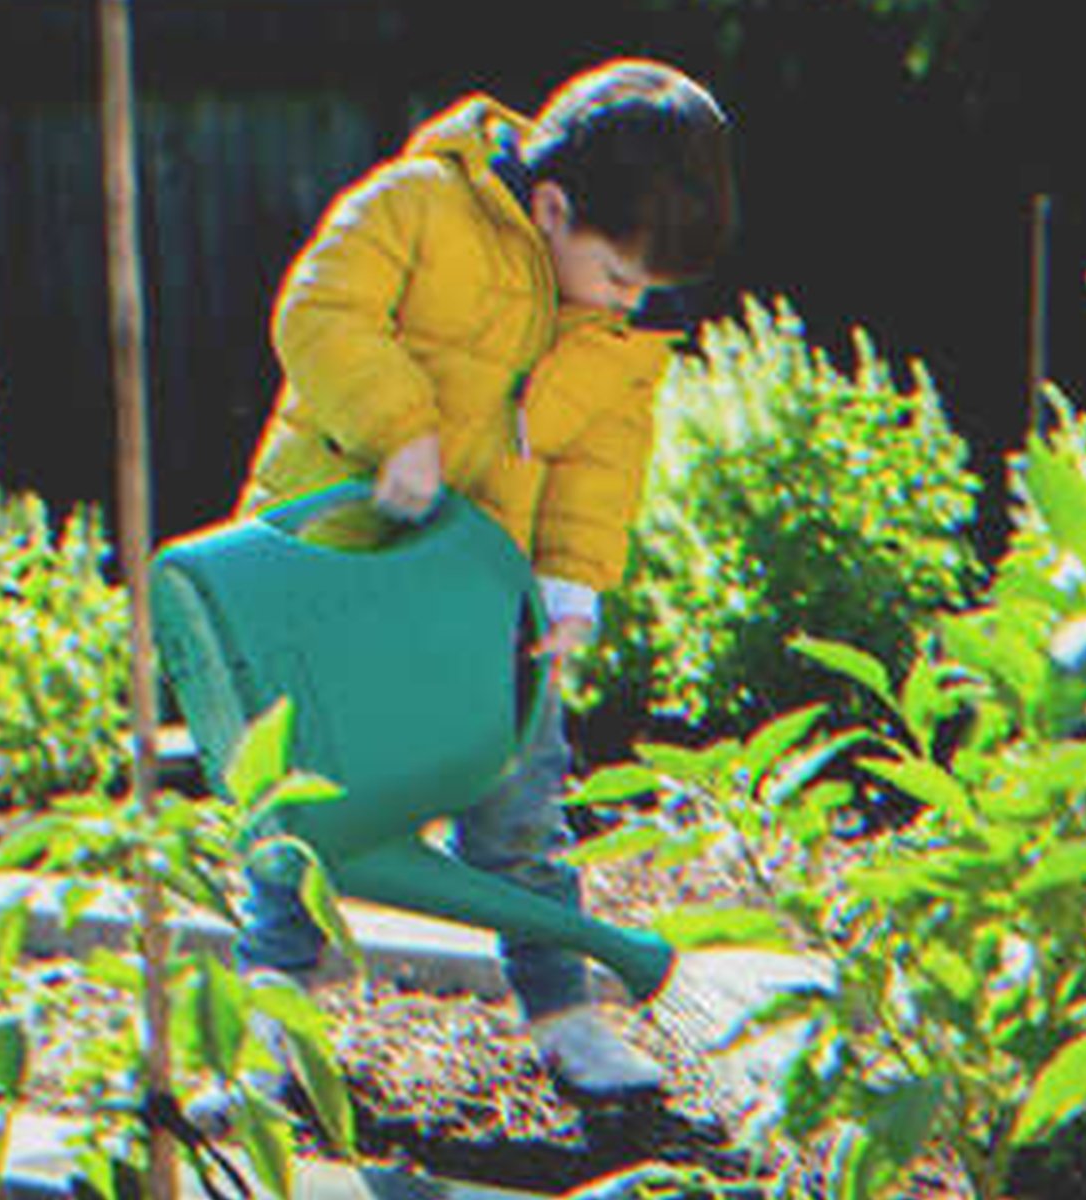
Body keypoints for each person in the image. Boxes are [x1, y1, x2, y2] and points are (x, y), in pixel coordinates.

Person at [219, 57, 738, 1112]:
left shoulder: (601, 323)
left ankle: (561, 1013)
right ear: (550, 207)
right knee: (308, 798)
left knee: (520, 800)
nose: (630, 304)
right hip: (339, 564)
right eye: (623, 278)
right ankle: (274, 1016)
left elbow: (600, 460)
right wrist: (397, 426)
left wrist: (572, 588)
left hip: (478, 594)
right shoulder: (416, 205)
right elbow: (320, 316)